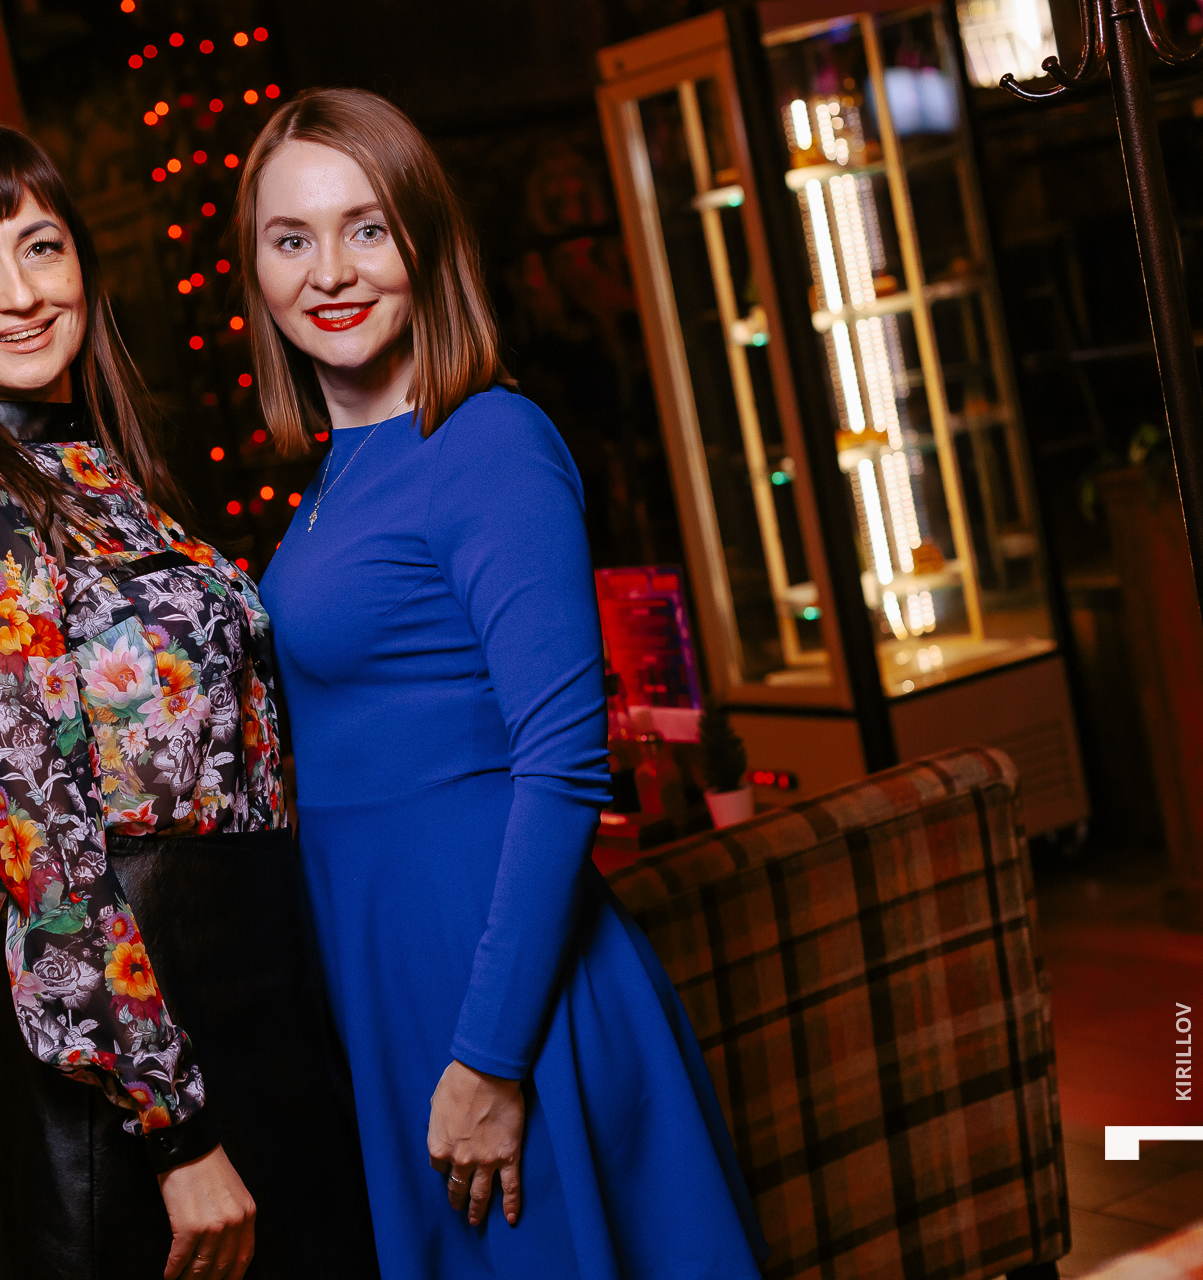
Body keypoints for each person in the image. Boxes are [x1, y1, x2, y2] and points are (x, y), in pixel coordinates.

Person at [243, 88, 772, 1279]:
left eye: (367, 227)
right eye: (292, 238)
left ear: (426, 239)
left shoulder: (485, 440)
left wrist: (490, 1055)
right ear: (258, 270)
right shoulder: (335, 476)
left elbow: (565, 762)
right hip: (395, 983)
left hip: (494, 987)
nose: (331, 271)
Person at [0, 121, 378, 1280]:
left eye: (41, 247)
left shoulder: (105, 475)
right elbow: (37, 848)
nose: (19, 293)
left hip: (254, 994)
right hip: (155, 1049)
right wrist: (174, 1128)